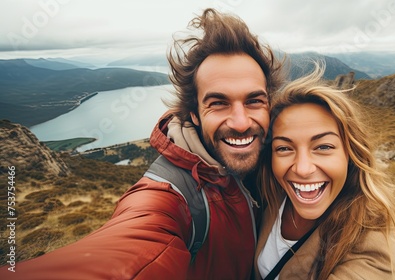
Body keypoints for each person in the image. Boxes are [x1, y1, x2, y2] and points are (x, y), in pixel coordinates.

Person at [1, 8, 285, 280]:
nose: (240, 122)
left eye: (254, 101)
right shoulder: (170, 197)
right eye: (218, 103)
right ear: (194, 116)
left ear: (269, 105)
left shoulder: (282, 160)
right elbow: (128, 250)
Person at [254, 64, 395, 280]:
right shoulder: (269, 192)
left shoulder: (372, 243)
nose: (302, 169)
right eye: (284, 148)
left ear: (350, 154)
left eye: (323, 147)